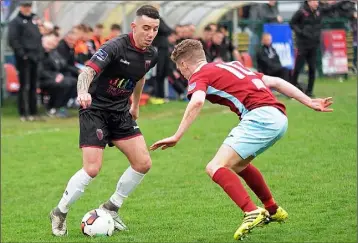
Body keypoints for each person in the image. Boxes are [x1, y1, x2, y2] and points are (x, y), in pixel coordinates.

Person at [150, 39, 333, 240]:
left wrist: (177, 135)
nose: (182, 73)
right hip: (278, 118)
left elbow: (198, 100)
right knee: (238, 165)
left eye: (180, 68)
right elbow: (277, 82)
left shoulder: (199, 74)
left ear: (184, 64)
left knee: (214, 167)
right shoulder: (230, 65)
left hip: (260, 117)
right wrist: (309, 102)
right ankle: (272, 209)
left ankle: (251, 211)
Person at [49, 5, 160, 236]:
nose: (150, 34)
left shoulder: (152, 54)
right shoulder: (115, 46)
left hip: (120, 112)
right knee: (92, 169)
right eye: (146, 28)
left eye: (155, 29)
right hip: (95, 110)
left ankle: (111, 207)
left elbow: (139, 77)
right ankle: (60, 212)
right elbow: (87, 72)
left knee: (143, 163)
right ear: (134, 26)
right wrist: (82, 92)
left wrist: (136, 105)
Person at [7, 1, 43, 121]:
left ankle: (33, 112)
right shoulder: (16, 22)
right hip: (25, 58)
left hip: (35, 57)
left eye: (29, 6)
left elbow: (38, 37)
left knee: (33, 85)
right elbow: (13, 40)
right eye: (25, 6)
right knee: (24, 85)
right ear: (20, 7)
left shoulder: (33, 20)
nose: (27, 8)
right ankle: (23, 112)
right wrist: (23, 54)